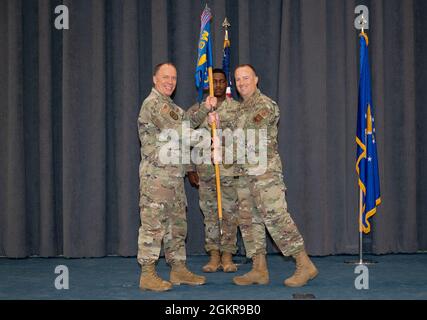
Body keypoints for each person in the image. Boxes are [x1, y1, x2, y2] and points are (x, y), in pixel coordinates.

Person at [231, 64, 318, 287]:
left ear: (256, 79)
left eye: (246, 78)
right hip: (244, 175)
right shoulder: (240, 109)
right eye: (238, 79)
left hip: (264, 175)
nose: (242, 83)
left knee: (276, 218)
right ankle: (258, 269)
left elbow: (249, 136)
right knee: (250, 222)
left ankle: (304, 264)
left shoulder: (265, 105)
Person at [137, 62, 217, 291]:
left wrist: (205, 109)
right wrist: (211, 136)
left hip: (173, 177)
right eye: (165, 77)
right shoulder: (154, 105)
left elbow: (187, 122)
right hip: (157, 178)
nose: (170, 82)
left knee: (176, 226)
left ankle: (178, 269)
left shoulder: (168, 105)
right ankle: (148, 274)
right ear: (154, 79)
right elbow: (183, 132)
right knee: (153, 226)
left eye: (173, 78)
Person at [187, 69, 241, 273]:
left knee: (229, 212)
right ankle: (214, 255)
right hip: (205, 171)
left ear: (226, 83)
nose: (217, 85)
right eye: (213, 81)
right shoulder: (197, 110)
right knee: (209, 213)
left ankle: (227, 255)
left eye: (221, 81)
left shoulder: (236, 109)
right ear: (207, 84)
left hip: (228, 170)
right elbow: (186, 140)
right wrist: (190, 168)